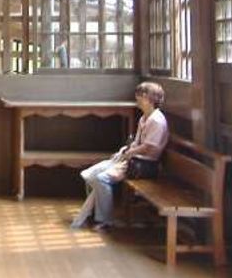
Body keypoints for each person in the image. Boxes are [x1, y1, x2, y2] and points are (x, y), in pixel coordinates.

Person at [71, 81, 169, 230]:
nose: (138, 99)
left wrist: (130, 153)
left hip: (145, 165)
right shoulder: (144, 118)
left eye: (141, 96)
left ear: (150, 99)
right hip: (134, 160)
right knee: (91, 175)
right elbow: (137, 142)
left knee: (101, 178)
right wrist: (124, 151)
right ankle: (92, 213)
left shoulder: (156, 120)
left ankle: (105, 221)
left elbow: (150, 147)